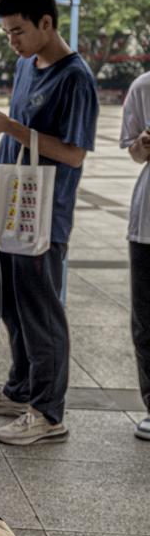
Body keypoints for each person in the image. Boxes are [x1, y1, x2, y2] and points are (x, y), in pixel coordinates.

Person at [0, 0, 99, 446]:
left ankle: (47, 411)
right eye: (6, 32)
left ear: (46, 22)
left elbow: (74, 154)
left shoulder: (75, 78)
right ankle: (20, 388)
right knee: (12, 304)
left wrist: (11, 128)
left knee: (42, 311)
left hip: (43, 216)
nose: (12, 41)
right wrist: (4, 126)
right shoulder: (27, 65)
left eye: (18, 31)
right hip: (12, 209)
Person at [124, 71, 150, 440]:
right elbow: (133, 151)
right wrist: (142, 145)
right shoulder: (143, 86)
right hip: (146, 224)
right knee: (145, 320)